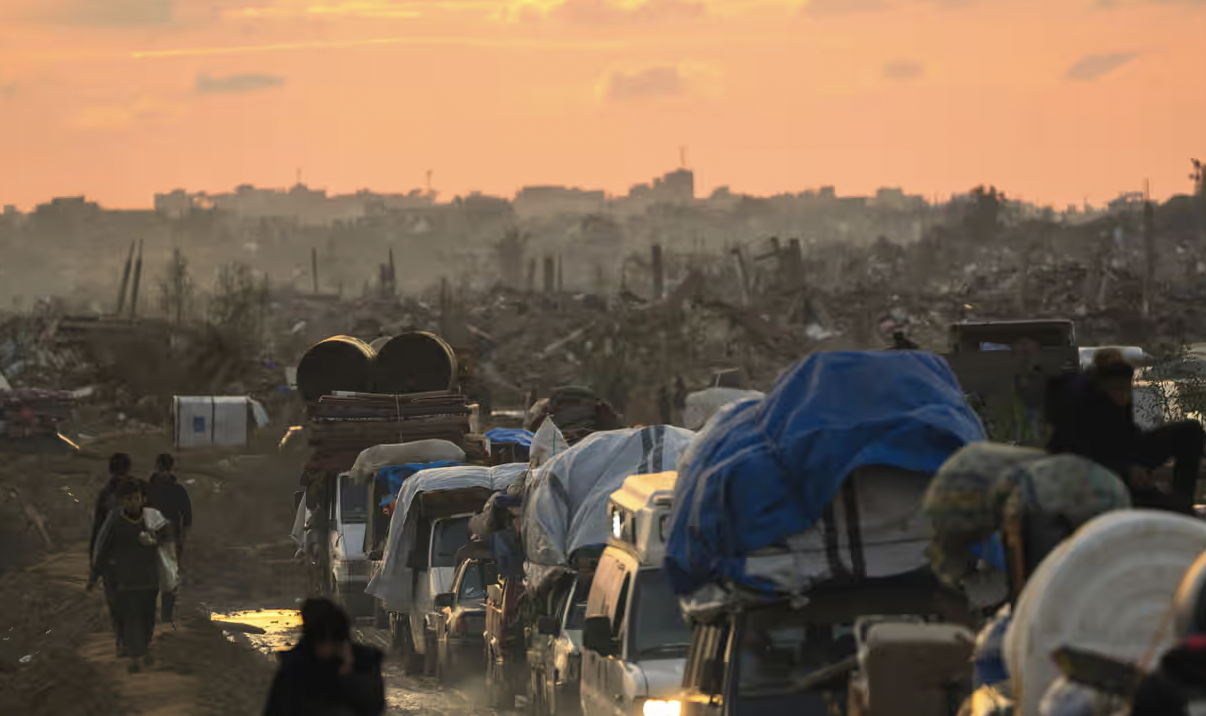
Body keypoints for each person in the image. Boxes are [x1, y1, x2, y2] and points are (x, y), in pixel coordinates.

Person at [1047, 349, 1206, 514]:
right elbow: (1083, 456)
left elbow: (1127, 435)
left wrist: (1139, 463)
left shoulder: (1120, 400)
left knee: (1190, 431)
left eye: (1127, 390)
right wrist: (1127, 469)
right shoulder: (1080, 407)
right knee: (1167, 508)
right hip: (1098, 470)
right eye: (1117, 390)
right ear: (1102, 385)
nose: (1124, 396)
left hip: (1126, 456)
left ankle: (1183, 498)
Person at [88, 480, 166, 672]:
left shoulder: (153, 519)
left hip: (149, 579)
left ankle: (144, 650)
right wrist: (94, 576)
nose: (133, 502)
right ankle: (135, 658)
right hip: (126, 580)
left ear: (143, 499)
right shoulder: (115, 521)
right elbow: (103, 550)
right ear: (121, 501)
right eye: (129, 499)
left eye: (136, 498)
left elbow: (167, 545)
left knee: (147, 618)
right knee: (131, 618)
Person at [263, 598, 385, 716]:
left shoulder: (363, 662)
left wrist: (347, 673)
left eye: (335, 640)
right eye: (322, 640)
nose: (328, 648)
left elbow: (374, 705)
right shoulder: (296, 668)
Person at [90, 452, 135, 656]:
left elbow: (99, 531)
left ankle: (123, 642)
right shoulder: (140, 490)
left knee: (116, 601)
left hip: (112, 558)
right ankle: (128, 641)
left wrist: (94, 563)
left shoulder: (106, 494)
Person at [145, 453, 192, 627]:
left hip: (159, 539)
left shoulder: (147, 489)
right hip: (163, 538)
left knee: (158, 579)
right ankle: (162, 616)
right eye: (164, 469)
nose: (164, 472)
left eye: (164, 469)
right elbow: (187, 519)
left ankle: (162, 616)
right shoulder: (176, 490)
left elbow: (187, 518)